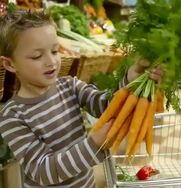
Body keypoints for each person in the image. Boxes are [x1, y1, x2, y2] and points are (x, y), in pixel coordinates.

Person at [0, 10, 162, 187]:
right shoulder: (12, 116)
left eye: (55, 51)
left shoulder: (70, 86)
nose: (51, 61)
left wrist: (132, 78)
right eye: (37, 56)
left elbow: (106, 106)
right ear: (10, 64)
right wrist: (92, 144)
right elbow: (42, 171)